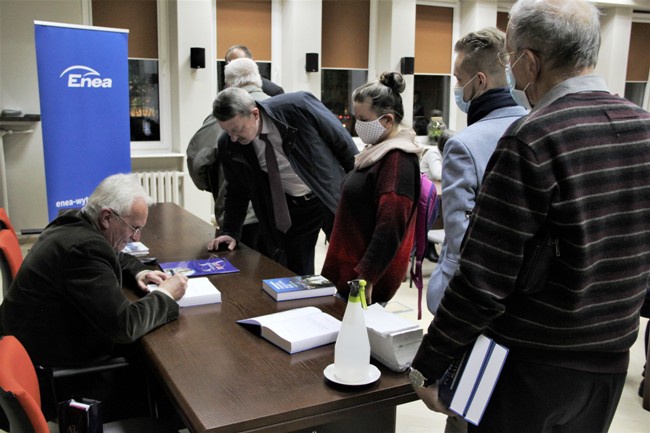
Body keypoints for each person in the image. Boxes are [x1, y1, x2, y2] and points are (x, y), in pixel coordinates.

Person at [409, 1, 650, 433]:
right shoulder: (644, 126)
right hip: (609, 363)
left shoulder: (533, 137)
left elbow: (485, 275)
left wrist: (429, 363)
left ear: (530, 61)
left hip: (530, 367)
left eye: (511, 59)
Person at [0, 173, 188, 366]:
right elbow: (124, 326)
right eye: (134, 228)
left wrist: (140, 272)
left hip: (28, 342)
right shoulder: (84, 249)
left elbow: (112, 254)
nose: (136, 238)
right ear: (107, 217)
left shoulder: (74, 221)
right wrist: (166, 294)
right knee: (158, 360)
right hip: (49, 362)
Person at [426, 27, 527, 314]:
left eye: (459, 79)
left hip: (469, 299)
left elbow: (461, 243)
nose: (457, 88)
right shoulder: (538, 128)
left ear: (479, 81)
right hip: (523, 296)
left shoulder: (464, 145)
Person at [209, 87, 358, 275]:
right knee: (297, 273)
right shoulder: (229, 145)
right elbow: (237, 190)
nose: (233, 137)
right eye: (227, 131)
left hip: (329, 193)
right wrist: (230, 232)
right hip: (293, 206)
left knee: (348, 261)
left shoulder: (299, 107)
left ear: (255, 113)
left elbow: (344, 146)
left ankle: (351, 303)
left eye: (236, 129)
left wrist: (357, 196)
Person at [321, 72, 422, 304]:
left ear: (387, 120)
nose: (358, 126)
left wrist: (367, 276)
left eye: (364, 120)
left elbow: (390, 225)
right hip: (348, 271)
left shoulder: (398, 160)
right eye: (356, 118)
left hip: (363, 281)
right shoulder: (376, 151)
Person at [187, 58, 271, 253]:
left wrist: (210, 185)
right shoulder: (275, 107)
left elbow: (198, 159)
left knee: (243, 272)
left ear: (229, 85)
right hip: (277, 214)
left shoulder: (224, 115)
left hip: (240, 215)